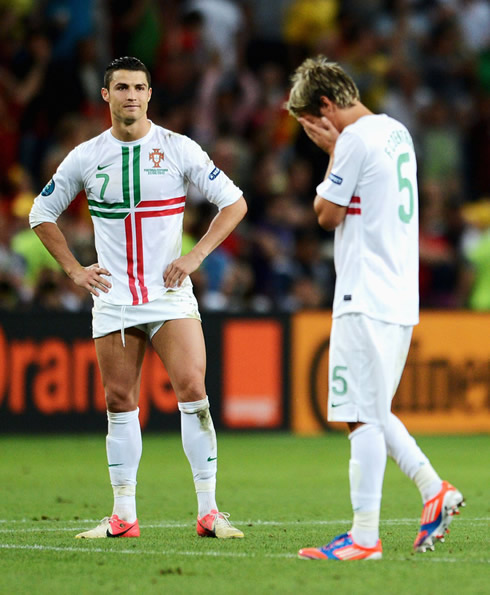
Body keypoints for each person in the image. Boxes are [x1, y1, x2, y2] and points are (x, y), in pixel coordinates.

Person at [29, 56, 247, 539]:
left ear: (150, 95)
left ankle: (209, 512)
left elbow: (235, 202)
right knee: (119, 400)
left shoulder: (177, 147)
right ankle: (124, 515)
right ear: (105, 95)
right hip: (114, 298)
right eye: (122, 87)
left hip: (169, 295)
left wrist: (196, 256)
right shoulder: (85, 156)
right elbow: (41, 212)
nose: (132, 95)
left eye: (140, 87)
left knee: (193, 390)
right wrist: (73, 269)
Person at [286, 55, 464, 560]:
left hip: (363, 293)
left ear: (324, 106)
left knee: (359, 414)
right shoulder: (395, 131)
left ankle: (364, 537)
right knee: (372, 409)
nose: (310, 135)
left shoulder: (354, 140)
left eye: (308, 125)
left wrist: (332, 150)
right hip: (398, 293)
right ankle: (435, 491)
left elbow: (325, 214)